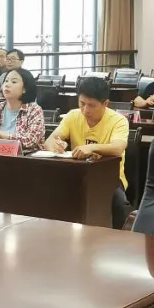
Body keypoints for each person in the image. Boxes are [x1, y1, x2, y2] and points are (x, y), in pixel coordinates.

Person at [45, 77, 131, 227]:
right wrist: (55, 144)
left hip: (109, 177)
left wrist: (91, 148)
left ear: (105, 104)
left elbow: (118, 147)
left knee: (118, 203)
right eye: (82, 103)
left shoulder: (118, 120)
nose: (85, 110)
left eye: (91, 105)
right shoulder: (73, 116)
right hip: (76, 173)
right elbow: (50, 140)